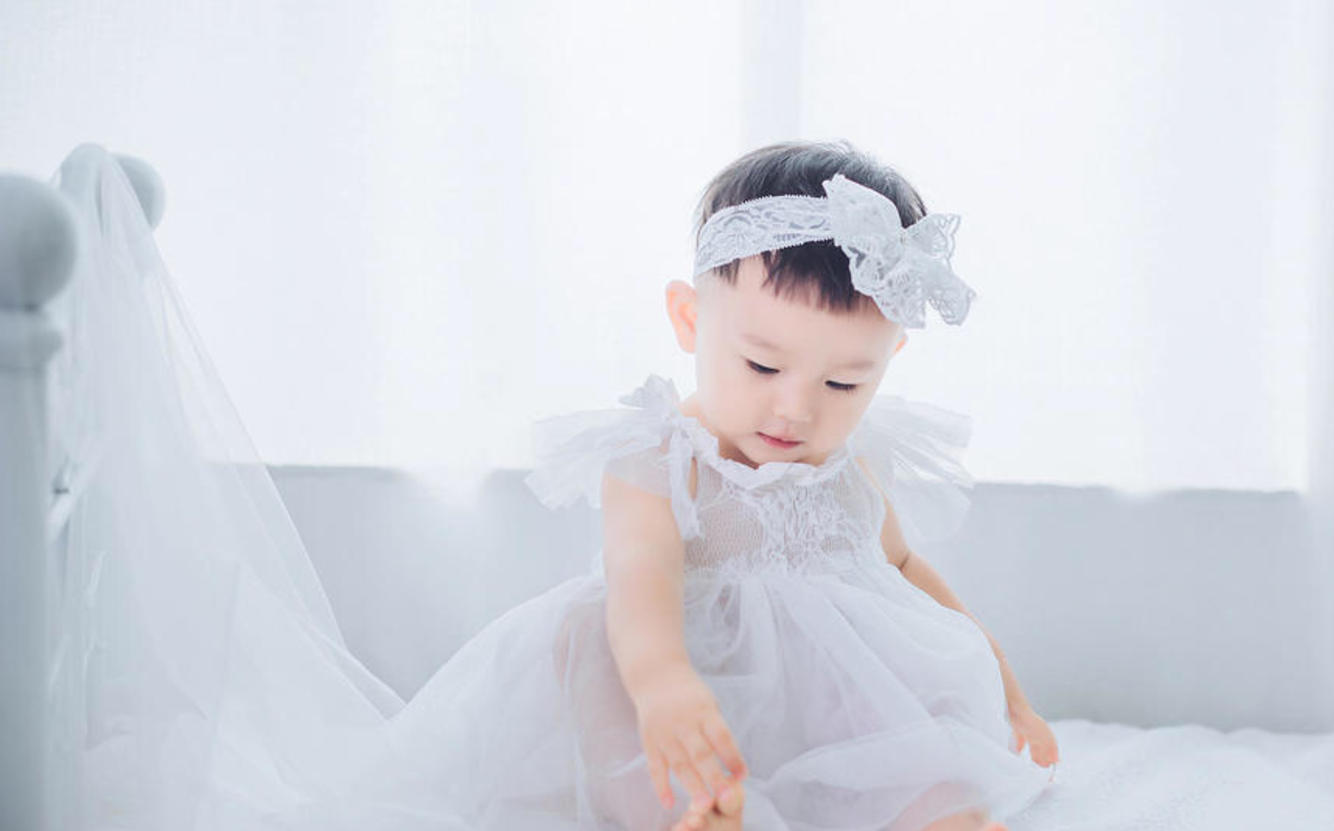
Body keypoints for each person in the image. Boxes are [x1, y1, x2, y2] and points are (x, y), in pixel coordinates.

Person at [50, 139, 1057, 831]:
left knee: (916, 768)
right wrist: (665, 684)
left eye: (844, 382)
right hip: (663, 676)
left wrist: (1002, 685)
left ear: (886, 363)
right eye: (760, 364)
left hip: (816, 698)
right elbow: (641, 588)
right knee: (619, 706)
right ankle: (697, 808)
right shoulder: (658, 456)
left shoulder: (855, 461)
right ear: (688, 319)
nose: (796, 408)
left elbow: (905, 570)